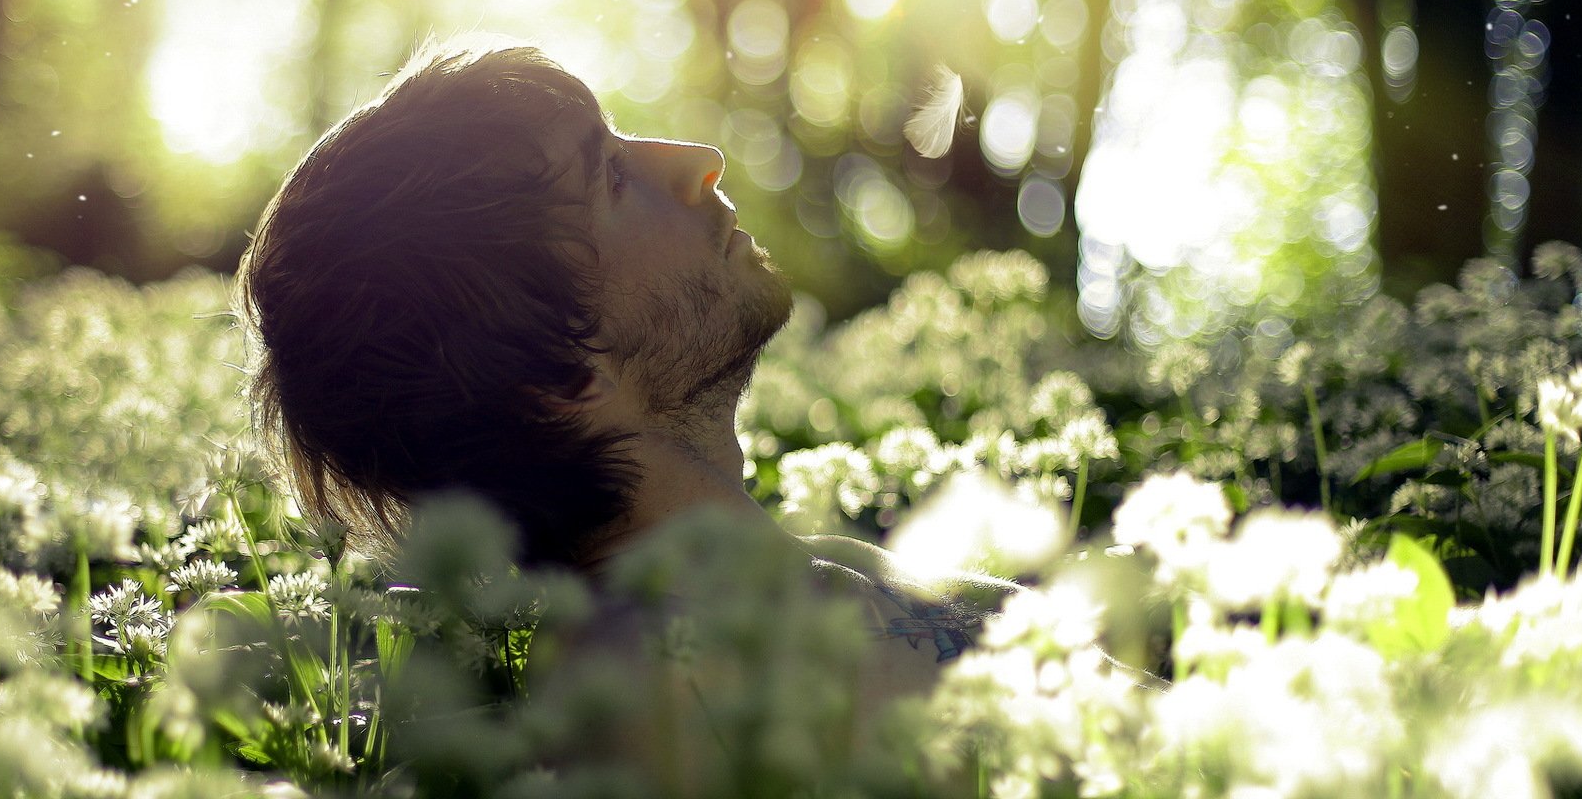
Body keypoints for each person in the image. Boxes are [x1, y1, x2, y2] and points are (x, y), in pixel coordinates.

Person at [234, 42, 1007, 721]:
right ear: (562, 376)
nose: (699, 158)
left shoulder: (800, 586)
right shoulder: (661, 700)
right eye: (608, 175)